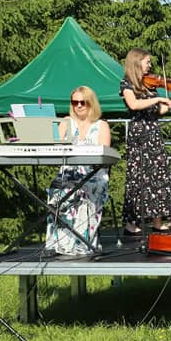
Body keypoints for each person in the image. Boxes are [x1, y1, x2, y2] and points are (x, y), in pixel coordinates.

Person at [120, 48, 171, 235]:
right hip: (139, 134)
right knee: (138, 177)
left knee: (158, 177)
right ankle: (131, 222)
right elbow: (134, 104)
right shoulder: (127, 83)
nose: (150, 65)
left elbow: (162, 110)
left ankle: (158, 221)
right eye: (147, 61)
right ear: (137, 62)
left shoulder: (150, 86)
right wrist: (157, 98)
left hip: (153, 133)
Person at [44, 86, 112, 255]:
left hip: (93, 174)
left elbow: (104, 156)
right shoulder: (66, 122)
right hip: (69, 174)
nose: (79, 105)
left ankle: (82, 242)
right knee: (58, 188)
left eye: (83, 102)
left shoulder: (101, 125)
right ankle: (58, 242)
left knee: (84, 189)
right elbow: (55, 148)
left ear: (91, 103)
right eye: (75, 102)